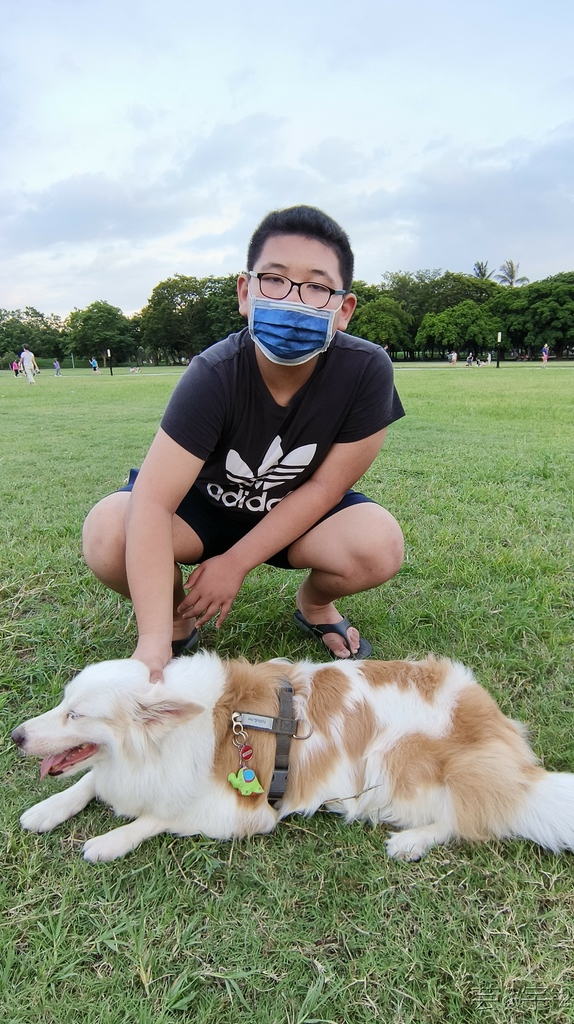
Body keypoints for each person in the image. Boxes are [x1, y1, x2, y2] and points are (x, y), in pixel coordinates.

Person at [82, 205, 406, 683]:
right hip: (203, 513)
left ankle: (314, 604)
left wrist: (235, 563)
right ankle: (176, 617)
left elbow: (323, 490)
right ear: (245, 291)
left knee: (379, 543)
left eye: (317, 287)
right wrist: (151, 645)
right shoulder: (213, 373)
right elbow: (152, 502)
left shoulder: (367, 370)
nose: (293, 300)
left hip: (296, 511)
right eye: (274, 279)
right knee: (110, 531)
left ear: (343, 309)